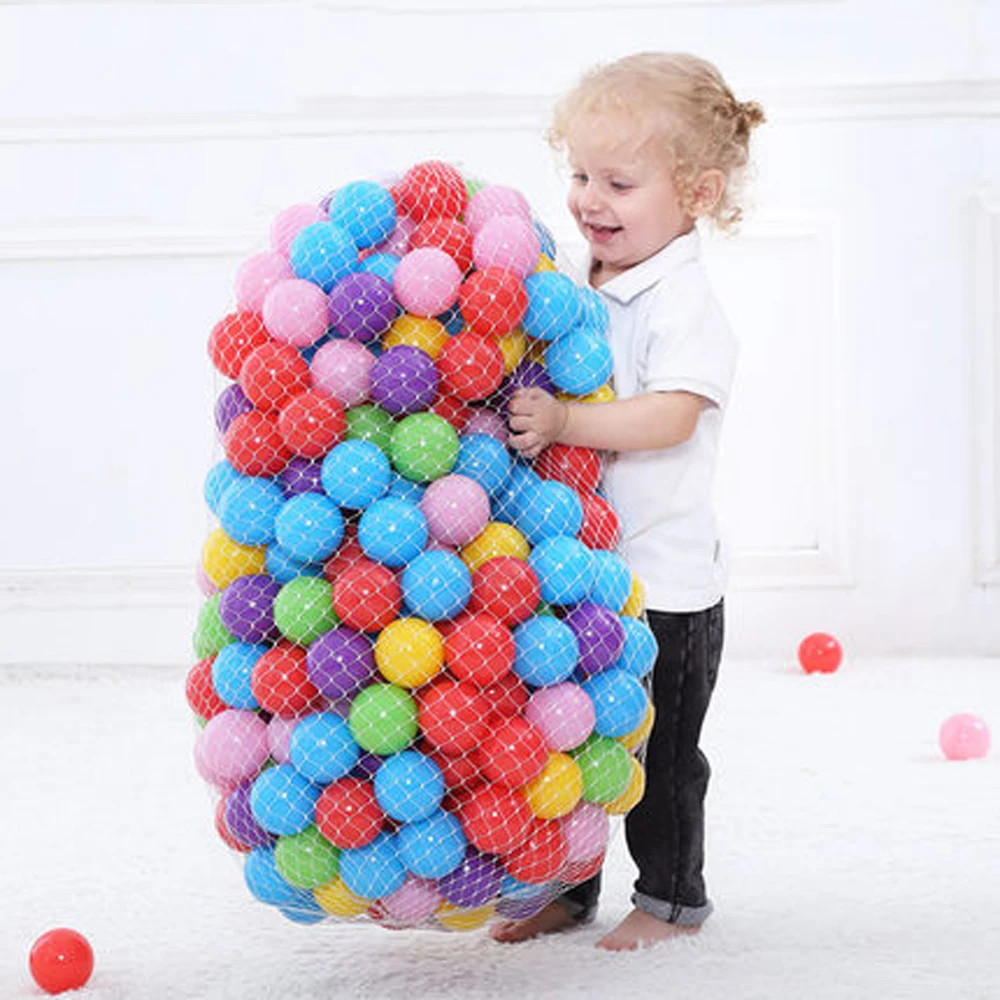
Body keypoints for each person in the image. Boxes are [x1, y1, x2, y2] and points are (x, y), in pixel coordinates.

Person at [490, 52, 765, 951]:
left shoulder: (683, 300)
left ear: (697, 193)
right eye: (579, 175)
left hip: (662, 586)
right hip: (579, 575)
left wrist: (568, 420)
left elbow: (671, 415)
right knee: (570, 742)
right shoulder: (585, 279)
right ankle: (564, 889)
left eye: (618, 182)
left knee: (657, 756)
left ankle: (671, 900)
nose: (589, 200)